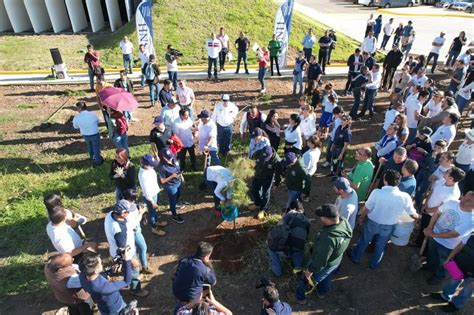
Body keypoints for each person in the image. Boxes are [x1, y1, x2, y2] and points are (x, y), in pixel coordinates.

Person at [349, 170, 418, 269]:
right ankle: (374, 264)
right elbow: (412, 213)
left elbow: (367, 208)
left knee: (364, 240)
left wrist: (361, 217)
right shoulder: (405, 197)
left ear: (385, 180)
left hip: (372, 222)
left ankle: (356, 257)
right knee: (381, 245)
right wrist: (417, 218)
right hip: (389, 225)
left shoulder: (377, 192)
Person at [293, 204, 352, 304]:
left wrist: (310, 270)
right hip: (335, 261)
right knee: (326, 276)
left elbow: (320, 260)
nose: (320, 218)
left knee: (306, 279)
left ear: (328, 219)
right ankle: (321, 292)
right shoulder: (344, 222)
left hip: (324, 263)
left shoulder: (328, 239)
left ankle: (300, 298)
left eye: (322, 217)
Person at [423, 191, 474, 284]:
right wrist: (430, 227)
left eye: (469, 200)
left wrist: (432, 234)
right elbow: (437, 213)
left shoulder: (471, 221)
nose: (464, 200)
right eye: (465, 196)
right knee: (431, 254)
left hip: (447, 246)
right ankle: (430, 266)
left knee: (443, 263)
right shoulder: (451, 202)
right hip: (434, 236)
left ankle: (438, 277)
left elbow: (453, 234)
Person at [103, 200, 149, 297]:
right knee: (133, 271)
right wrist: (132, 260)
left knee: (126, 269)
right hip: (126, 255)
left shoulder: (110, 214)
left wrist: (139, 214)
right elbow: (123, 250)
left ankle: (128, 276)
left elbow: (130, 224)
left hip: (116, 250)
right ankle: (135, 290)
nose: (129, 213)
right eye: (128, 211)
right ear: (123, 213)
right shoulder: (119, 230)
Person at [79, 248, 140, 314]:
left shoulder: (82, 275)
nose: (101, 263)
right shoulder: (104, 287)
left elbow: (96, 276)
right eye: (100, 263)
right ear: (96, 270)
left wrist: (109, 271)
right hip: (116, 309)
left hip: (103, 307)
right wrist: (127, 260)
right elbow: (127, 281)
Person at [418, 167, 465, 248]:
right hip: (426, 209)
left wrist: (427, 210)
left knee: (428, 233)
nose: (445, 172)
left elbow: (442, 208)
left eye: (447, 171)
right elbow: (432, 191)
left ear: (451, 178)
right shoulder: (443, 180)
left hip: (434, 216)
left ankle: (422, 249)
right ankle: (418, 242)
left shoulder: (453, 193)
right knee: (423, 227)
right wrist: (425, 204)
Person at [430, 235, 473, 313]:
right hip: (460, 265)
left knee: (467, 290)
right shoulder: (471, 236)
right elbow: (459, 247)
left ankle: (456, 304)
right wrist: (449, 258)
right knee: (452, 281)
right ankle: (445, 296)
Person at [268, 200, 310, 276]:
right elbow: (306, 236)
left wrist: (284, 215)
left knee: (271, 248)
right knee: (298, 250)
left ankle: (277, 271)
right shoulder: (307, 221)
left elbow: (278, 227)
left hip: (287, 250)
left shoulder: (290, 214)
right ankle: (297, 270)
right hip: (299, 249)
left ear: (293, 208)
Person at [121, 189, 152, 274]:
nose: (134, 200)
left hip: (134, 231)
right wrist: (141, 213)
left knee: (140, 248)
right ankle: (140, 269)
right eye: (133, 198)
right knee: (137, 250)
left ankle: (142, 265)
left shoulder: (125, 204)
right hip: (132, 232)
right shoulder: (126, 209)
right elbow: (133, 223)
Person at [138, 154, 168, 236]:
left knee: (154, 211)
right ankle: (154, 227)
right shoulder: (144, 175)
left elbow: (156, 163)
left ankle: (157, 221)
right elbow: (146, 190)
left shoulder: (148, 168)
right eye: (152, 165)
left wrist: (157, 160)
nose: (153, 166)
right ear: (146, 165)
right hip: (150, 197)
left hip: (154, 193)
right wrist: (152, 201)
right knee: (151, 212)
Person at [251, 145, 283, 217]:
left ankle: (263, 209)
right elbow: (252, 160)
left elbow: (278, 174)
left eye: (267, 158)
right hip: (258, 175)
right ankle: (257, 204)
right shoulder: (259, 153)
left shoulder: (277, 161)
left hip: (267, 178)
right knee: (254, 190)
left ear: (271, 154)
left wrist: (276, 183)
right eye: (263, 157)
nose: (265, 159)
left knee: (265, 194)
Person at [158, 147, 185, 224]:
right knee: (172, 200)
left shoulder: (174, 159)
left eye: (171, 157)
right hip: (171, 186)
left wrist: (182, 178)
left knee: (178, 195)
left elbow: (178, 170)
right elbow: (162, 181)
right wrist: (172, 176)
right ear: (163, 157)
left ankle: (175, 205)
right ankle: (174, 215)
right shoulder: (162, 167)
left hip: (178, 182)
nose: (170, 159)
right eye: (168, 158)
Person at [72, 101, 103, 166]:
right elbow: (98, 121)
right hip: (95, 133)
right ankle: (98, 161)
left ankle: (92, 157)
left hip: (85, 135)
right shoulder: (93, 114)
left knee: (89, 146)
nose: (77, 110)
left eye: (77, 108)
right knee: (96, 147)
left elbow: (75, 127)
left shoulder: (76, 117)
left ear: (79, 108)